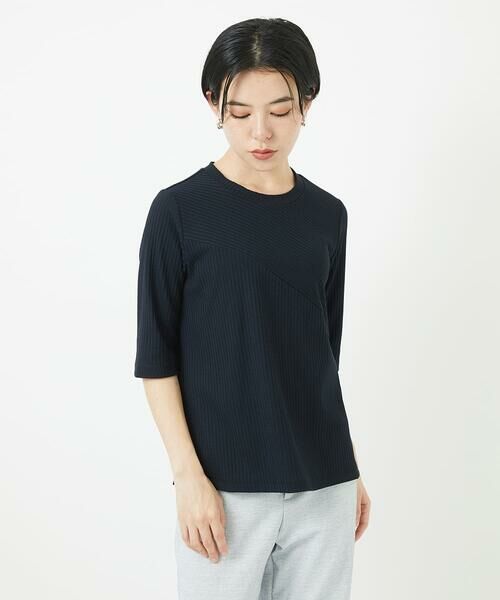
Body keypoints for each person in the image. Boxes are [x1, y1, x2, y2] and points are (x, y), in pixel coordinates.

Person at [134, 17, 371, 600]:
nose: (261, 132)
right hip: (223, 493)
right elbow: (156, 359)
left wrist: (349, 467)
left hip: (325, 486)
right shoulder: (178, 212)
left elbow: (321, 357)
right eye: (240, 113)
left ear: (307, 103)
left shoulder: (328, 216)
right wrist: (188, 479)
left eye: (280, 111)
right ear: (213, 104)